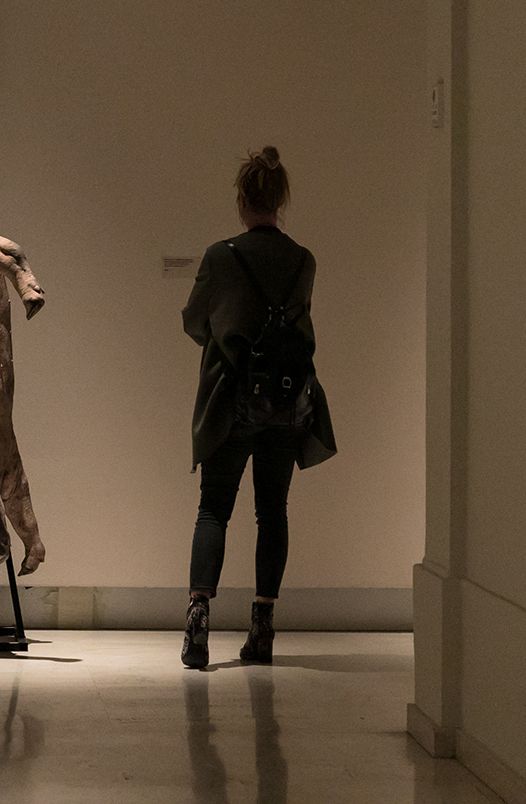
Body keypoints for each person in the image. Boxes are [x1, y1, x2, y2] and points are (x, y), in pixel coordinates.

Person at [180, 146, 336, 669]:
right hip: (286, 406)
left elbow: (194, 322)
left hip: (230, 404)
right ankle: (262, 628)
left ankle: (198, 622)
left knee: (213, 510)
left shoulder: (219, 256)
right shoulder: (303, 261)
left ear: (242, 200)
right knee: (272, 513)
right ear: (280, 200)